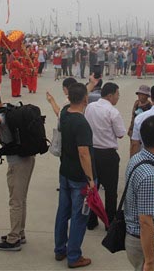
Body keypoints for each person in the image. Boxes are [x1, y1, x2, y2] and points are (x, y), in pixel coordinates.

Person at [0, 86, 36, 251]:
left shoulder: (0, 114)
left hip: (18, 162)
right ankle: (19, 233)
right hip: (27, 158)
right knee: (21, 199)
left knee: (15, 201)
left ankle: (13, 239)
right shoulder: (9, 108)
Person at [53, 82, 95, 268]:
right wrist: (90, 179)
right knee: (79, 216)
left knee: (63, 212)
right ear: (85, 99)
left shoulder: (64, 114)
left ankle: (60, 248)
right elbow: (83, 153)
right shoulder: (81, 123)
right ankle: (74, 255)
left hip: (65, 171)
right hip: (79, 177)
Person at [125, 115, 154, 271]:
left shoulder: (137, 158)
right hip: (149, 244)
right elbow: (145, 221)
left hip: (142, 240)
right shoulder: (150, 176)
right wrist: (150, 261)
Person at [84, 82, 126, 230]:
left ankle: (91, 220)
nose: (118, 97)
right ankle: (109, 222)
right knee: (111, 190)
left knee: (92, 188)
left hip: (92, 152)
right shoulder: (113, 112)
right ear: (110, 95)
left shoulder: (90, 107)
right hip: (108, 154)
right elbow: (120, 134)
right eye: (117, 94)